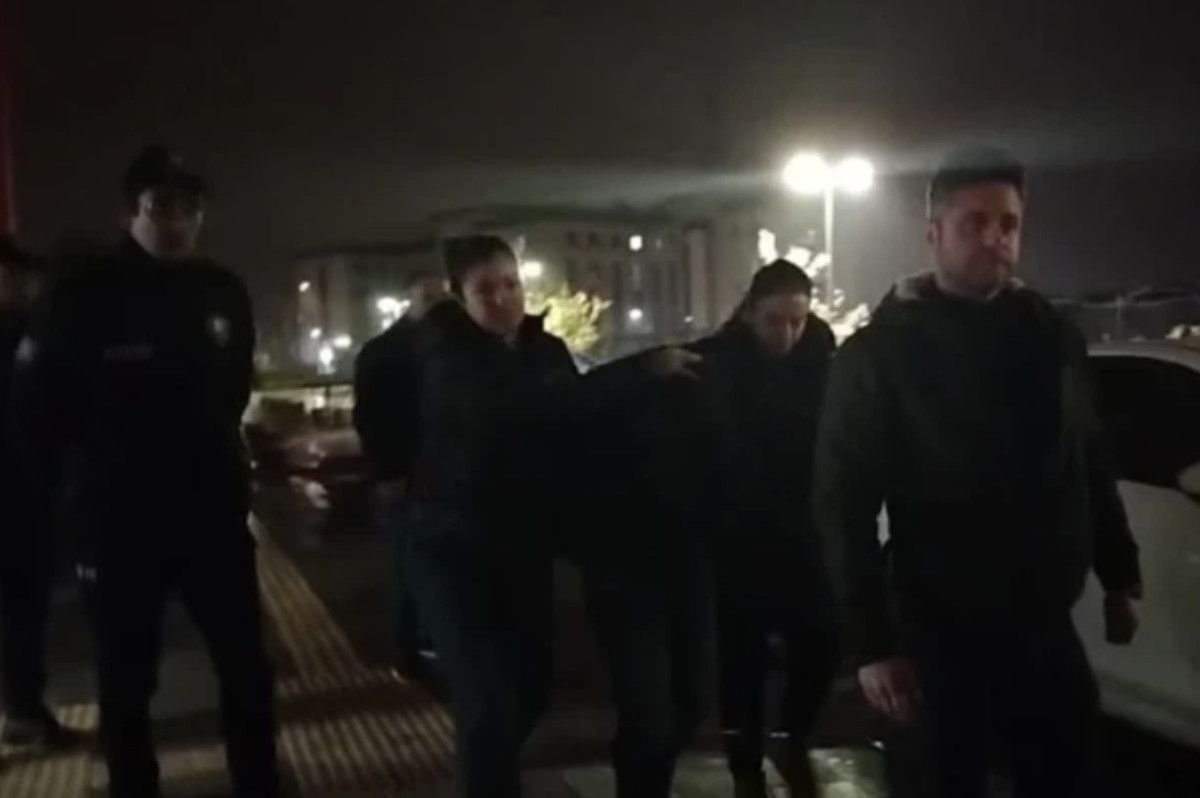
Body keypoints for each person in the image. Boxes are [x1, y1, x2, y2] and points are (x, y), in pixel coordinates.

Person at [814, 146, 1142, 798]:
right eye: (975, 223)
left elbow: (1087, 457)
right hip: (937, 631)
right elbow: (841, 501)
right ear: (934, 233)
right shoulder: (883, 352)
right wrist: (873, 644)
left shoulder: (1051, 335)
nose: (995, 238)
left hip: (1044, 623)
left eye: (1009, 224)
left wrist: (1120, 573)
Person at [8, 146, 279, 796]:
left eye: (190, 208)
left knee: (247, 666)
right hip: (119, 524)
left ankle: (260, 784)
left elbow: (234, 389)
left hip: (212, 515)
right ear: (130, 213)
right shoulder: (81, 297)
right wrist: (72, 503)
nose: (177, 221)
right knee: (126, 679)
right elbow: (35, 414)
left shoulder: (222, 290)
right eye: (161, 207)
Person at [399, 235, 696, 797]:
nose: (503, 298)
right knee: (488, 703)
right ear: (459, 297)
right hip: (455, 555)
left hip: (520, 551)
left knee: (530, 692)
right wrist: (640, 370)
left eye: (510, 283)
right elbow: (526, 411)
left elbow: (575, 427)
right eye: (485, 289)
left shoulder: (546, 350)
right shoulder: (446, 358)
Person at [691, 260, 838, 798]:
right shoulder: (718, 363)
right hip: (738, 532)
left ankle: (792, 734)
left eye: (797, 321)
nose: (787, 334)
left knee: (821, 642)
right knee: (743, 655)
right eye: (775, 321)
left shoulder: (822, 364)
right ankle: (745, 758)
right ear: (751, 313)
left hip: (806, 529)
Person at [0, 236, 78, 748]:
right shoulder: (28, 334)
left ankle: (23, 710)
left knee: (24, 612)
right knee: (19, 609)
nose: (20, 284)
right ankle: (22, 709)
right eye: (10, 274)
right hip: (19, 493)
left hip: (26, 496)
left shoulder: (32, 330)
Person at [353, 270, 448, 677]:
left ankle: (423, 647)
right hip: (406, 473)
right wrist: (388, 471)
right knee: (412, 565)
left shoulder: (438, 345)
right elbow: (370, 417)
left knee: (424, 565)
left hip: (431, 473)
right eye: (429, 295)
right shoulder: (388, 351)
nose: (437, 303)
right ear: (410, 298)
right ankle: (411, 650)